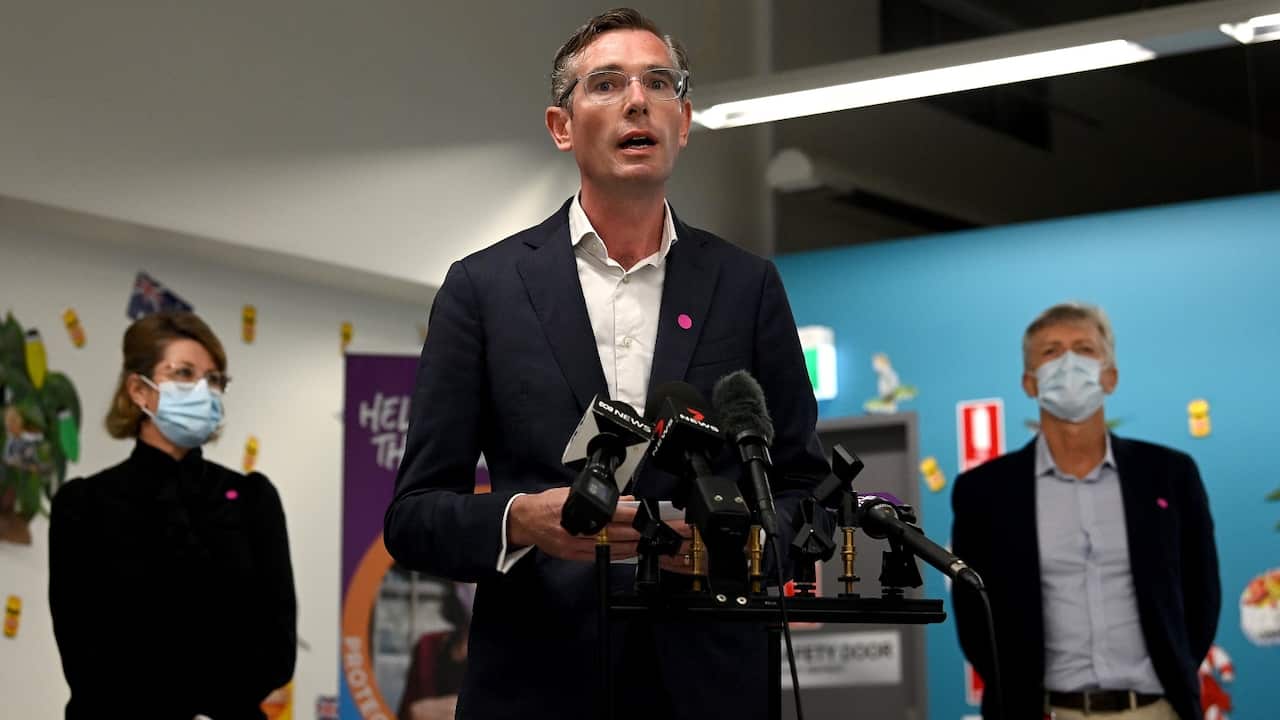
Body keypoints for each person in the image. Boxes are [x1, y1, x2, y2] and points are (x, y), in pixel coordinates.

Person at [383, 8, 828, 719]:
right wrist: (520, 520)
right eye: (607, 84)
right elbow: (413, 518)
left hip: (712, 684)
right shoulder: (483, 289)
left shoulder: (746, 287)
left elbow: (808, 490)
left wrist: (729, 547)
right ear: (562, 126)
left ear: (683, 121)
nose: (637, 101)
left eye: (659, 82)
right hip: (538, 681)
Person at [951, 302, 1220, 720]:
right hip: (1044, 711)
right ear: (1029, 382)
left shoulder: (1170, 475)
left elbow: (1202, 596)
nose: (1069, 362)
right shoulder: (984, 492)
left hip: (1156, 710)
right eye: (1051, 351)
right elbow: (974, 617)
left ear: (1110, 377)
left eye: (1084, 349)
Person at [48, 311, 297, 720]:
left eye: (214, 380)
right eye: (183, 373)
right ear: (139, 391)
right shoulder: (85, 503)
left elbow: (275, 652)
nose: (203, 390)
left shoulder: (252, 499)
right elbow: (85, 654)